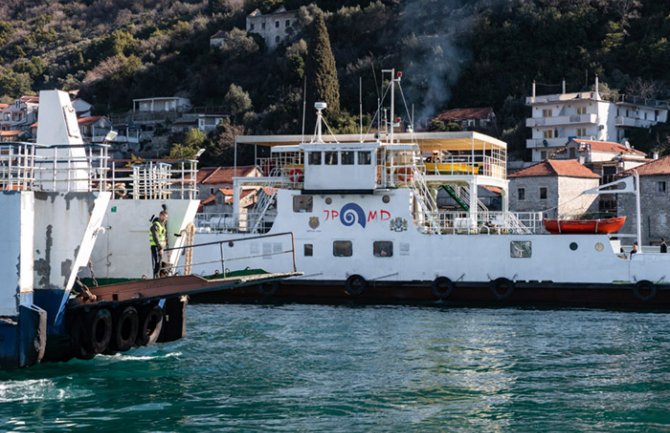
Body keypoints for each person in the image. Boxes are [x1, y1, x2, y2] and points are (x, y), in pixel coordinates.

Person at [149, 210, 168, 278]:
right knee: (157, 261)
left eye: (166, 217)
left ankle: (156, 276)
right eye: (164, 217)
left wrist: (163, 246)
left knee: (159, 262)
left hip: (160, 247)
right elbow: (155, 237)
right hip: (155, 246)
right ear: (160, 216)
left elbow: (162, 236)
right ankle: (156, 276)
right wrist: (159, 247)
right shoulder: (156, 225)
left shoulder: (162, 225)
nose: (165, 219)